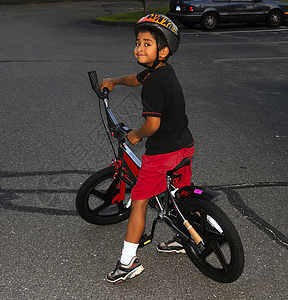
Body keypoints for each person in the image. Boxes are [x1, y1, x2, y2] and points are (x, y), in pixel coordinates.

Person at [101, 13, 195, 284]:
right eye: (138, 42)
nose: (139, 48)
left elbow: (152, 125)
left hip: (162, 153)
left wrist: (135, 135)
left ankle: (126, 263)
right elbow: (135, 78)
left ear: (162, 51)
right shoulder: (162, 71)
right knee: (180, 193)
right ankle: (186, 234)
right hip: (184, 145)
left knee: (140, 202)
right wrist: (115, 81)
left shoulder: (154, 84)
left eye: (147, 44)